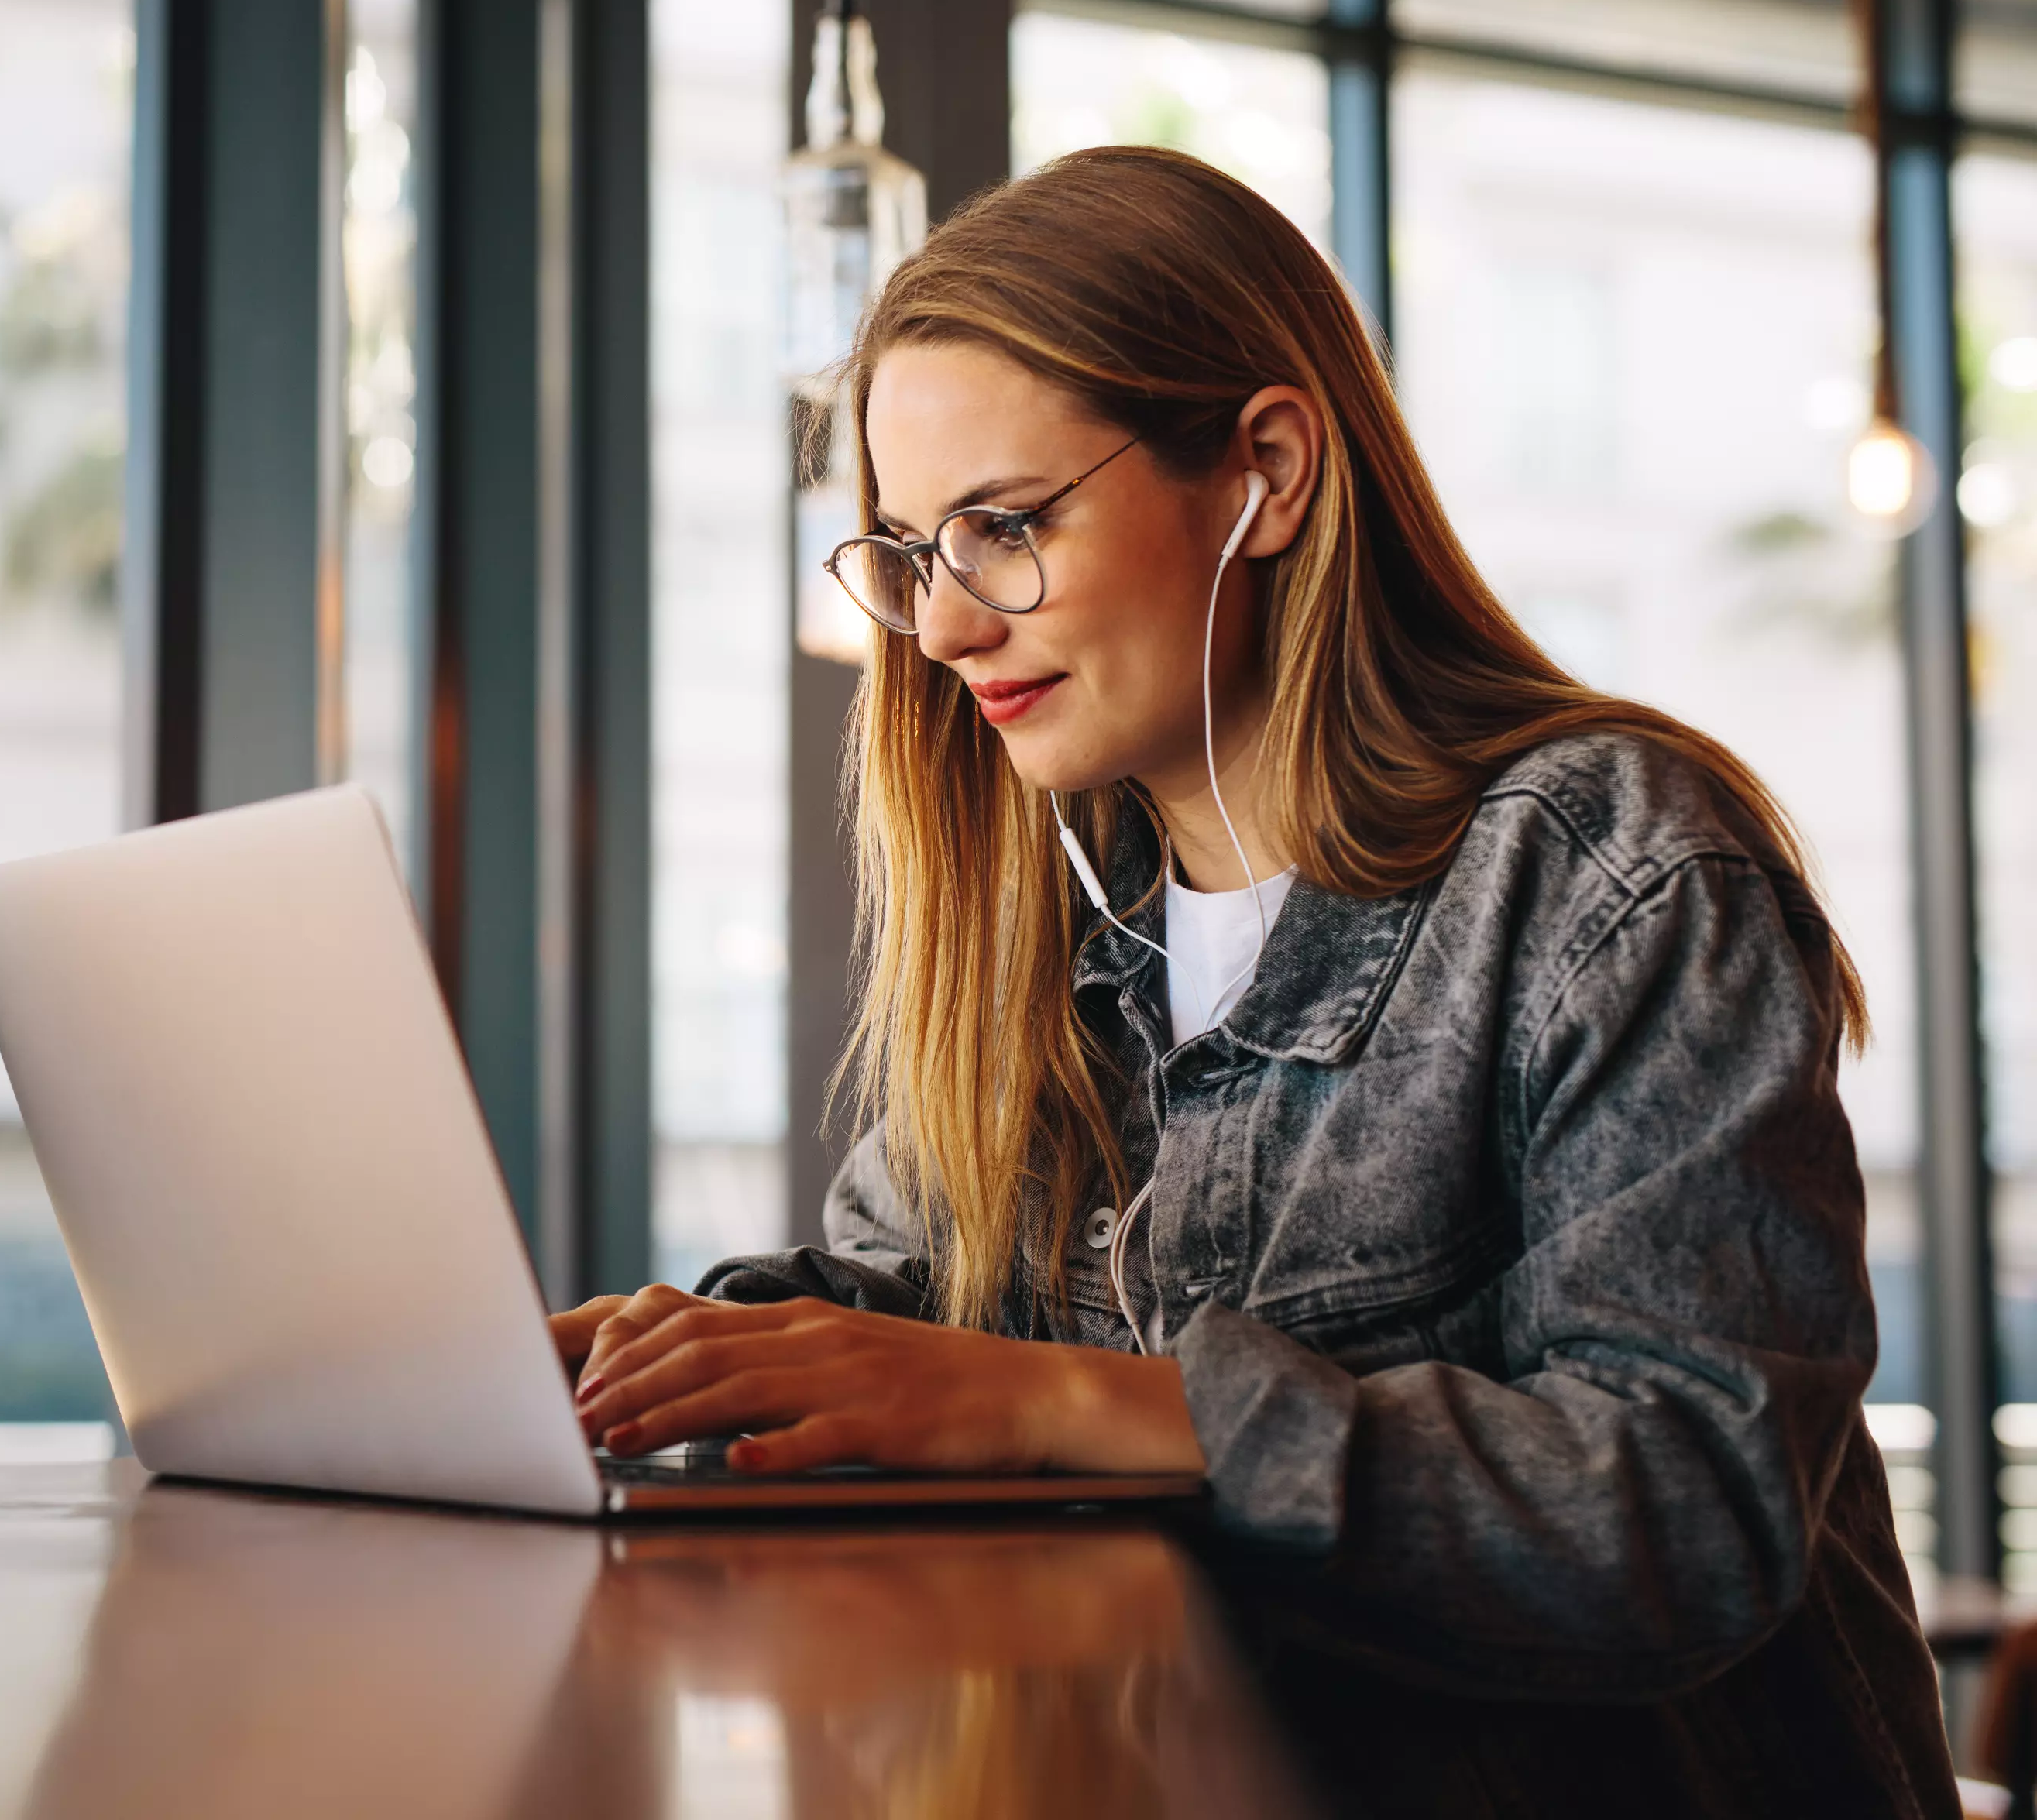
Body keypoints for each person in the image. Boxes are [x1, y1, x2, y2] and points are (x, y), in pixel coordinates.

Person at [554, 146, 1954, 1809]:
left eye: (1004, 527)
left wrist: (1064, 1402)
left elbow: (1680, 1509)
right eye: (912, 552)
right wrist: (649, 1367)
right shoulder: (1044, 925)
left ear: (1268, 473)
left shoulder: (1606, 865)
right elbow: (903, 1312)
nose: (939, 629)